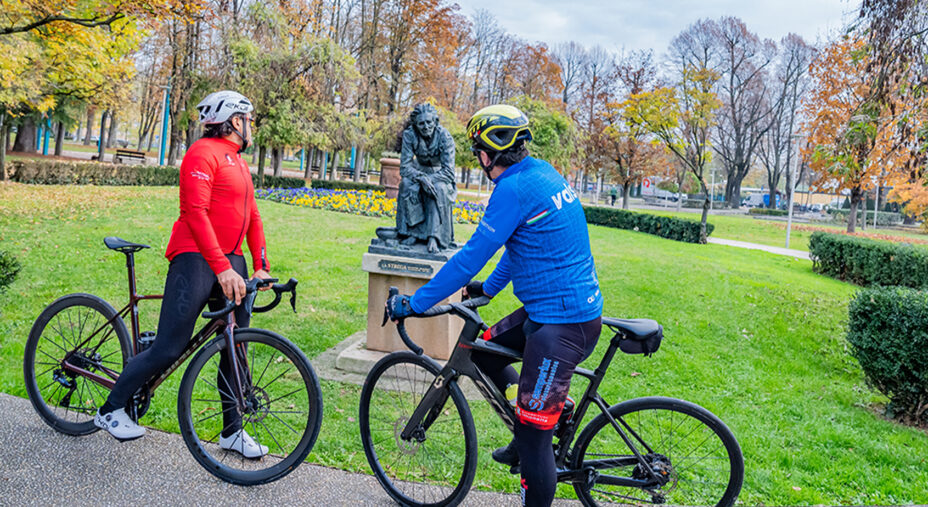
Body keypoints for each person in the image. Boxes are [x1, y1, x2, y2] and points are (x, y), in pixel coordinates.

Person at [385, 104, 603, 507]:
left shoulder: (512, 190)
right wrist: (490, 288)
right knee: (482, 351)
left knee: (534, 437)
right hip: (557, 313)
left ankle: (531, 438)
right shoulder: (542, 174)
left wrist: (414, 304)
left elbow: (470, 257)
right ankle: (546, 415)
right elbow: (517, 244)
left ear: (486, 154)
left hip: (562, 326)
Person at [94, 90, 272, 459]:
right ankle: (111, 409)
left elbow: (252, 216)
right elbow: (195, 213)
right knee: (170, 345)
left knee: (235, 346)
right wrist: (221, 268)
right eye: (248, 119)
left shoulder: (237, 161)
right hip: (194, 257)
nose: (251, 126)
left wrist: (261, 265)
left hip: (231, 258)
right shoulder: (201, 154)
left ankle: (233, 430)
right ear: (235, 120)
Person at [396, 103, 457, 253]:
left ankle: (434, 237)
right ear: (416, 124)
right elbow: (405, 166)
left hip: (440, 174)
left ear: (435, 122)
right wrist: (420, 179)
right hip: (418, 171)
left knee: (438, 189)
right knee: (405, 184)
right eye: (421, 123)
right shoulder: (410, 135)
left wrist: (427, 180)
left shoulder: (445, 137)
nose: (425, 126)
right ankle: (410, 233)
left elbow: (449, 171)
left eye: (429, 122)